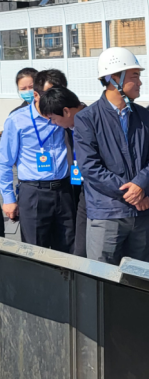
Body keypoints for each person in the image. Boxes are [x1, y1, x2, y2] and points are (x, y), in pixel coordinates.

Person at [74, 48, 149, 264]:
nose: (140, 82)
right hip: (107, 212)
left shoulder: (143, 116)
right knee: (102, 278)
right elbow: (90, 167)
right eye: (135, 76)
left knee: (138, 276)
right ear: (114, 78)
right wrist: (132, 193)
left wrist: (140, 185)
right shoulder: (87, 118)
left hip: (140, 213)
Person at [0, 69, 75, 252]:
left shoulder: (66, 115)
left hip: (65, 190)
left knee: (68, 252)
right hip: (34, 193)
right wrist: (8, 198)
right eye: (50, 95)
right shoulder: (17, 120)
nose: (56, 100)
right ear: (36, 95)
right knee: (34, 251)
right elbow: (5, 162)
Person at [39, 87, 88, 257]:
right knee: (79, 249)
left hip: (101, 193)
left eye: (53, 118)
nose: (53, 123)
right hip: (77, 188)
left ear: (66, 111)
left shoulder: (95, 120)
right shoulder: (69, 127)